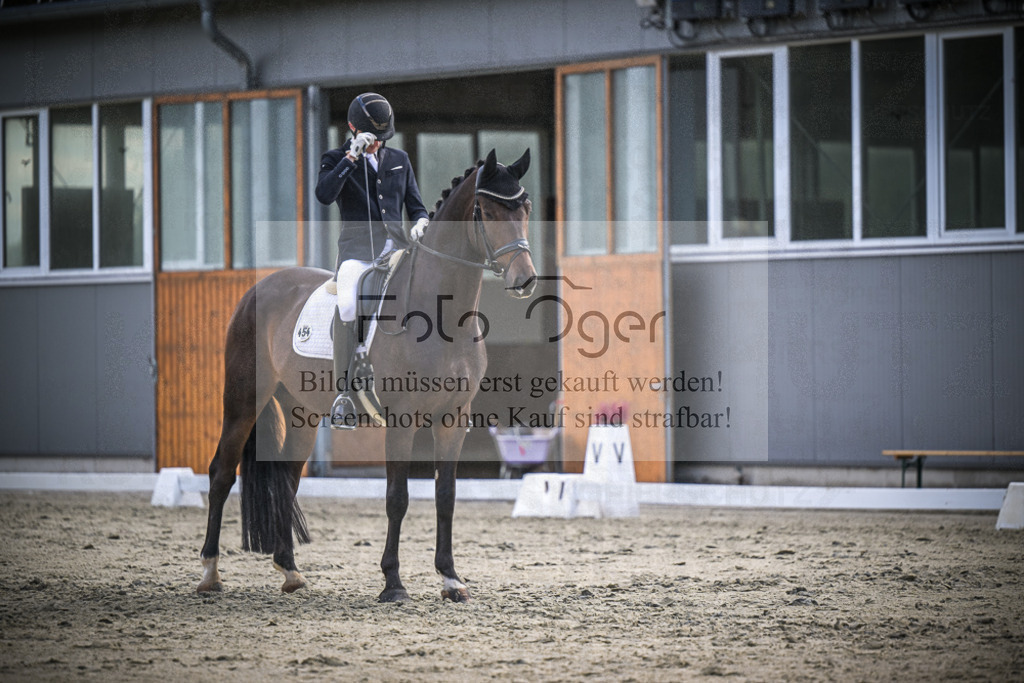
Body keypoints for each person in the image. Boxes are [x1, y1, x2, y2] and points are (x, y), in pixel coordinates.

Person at [315, 92, 429, 429]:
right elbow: (324, 195)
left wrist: (422, 221)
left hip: (399, 250)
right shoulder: (336, 158)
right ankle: (343, 395)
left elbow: (415, 205)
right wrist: (352, 156)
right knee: (349, 304)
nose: (378, 145)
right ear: (354, 129)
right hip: (357, 254)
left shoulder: (400, 160)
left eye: (382, 139)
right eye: (372, 139)